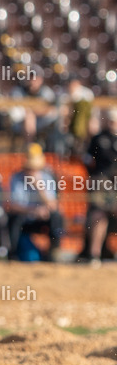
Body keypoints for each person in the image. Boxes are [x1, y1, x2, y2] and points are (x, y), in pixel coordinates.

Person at [7, 144, 64, 262]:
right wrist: (33, 210)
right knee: (14, 219)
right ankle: (12, 253)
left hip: (42, 217)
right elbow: (13, 206)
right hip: (24, 217)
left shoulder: (47, 177)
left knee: (57, 217)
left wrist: (39, 187)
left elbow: (53, 205)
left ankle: (54, 252)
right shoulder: (16, 178)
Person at [84, 109, 117, 266]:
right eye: (110, 120)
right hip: (102, 182)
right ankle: (94, 255)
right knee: (98, 215)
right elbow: (88, 161)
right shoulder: (99, 139)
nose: (112, 124)